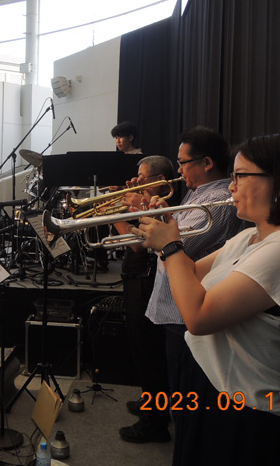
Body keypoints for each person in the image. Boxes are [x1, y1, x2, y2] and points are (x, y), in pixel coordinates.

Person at [137, 134, 280, 465]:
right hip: (211, 384)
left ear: (279, 182)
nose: (231, 187)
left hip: (246, 405)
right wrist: (167, 230)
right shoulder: (250, 236)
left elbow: (198, 318)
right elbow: (190, 275)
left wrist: (170, 246)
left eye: (240, 176)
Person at [125, 126, 244, 443]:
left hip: (185, 312)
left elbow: (175, 248)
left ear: (206, 163)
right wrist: (151, 212)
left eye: (183, 163)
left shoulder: (217, 200)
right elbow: (170, 237)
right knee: (171, 381)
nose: (178, 171)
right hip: (172, 305)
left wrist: (148, 218)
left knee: (185, 400)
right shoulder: (198, 194)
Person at [111, 156, 177, 444]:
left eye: (142, 177)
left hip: (146, 280)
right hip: (137, 277)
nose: (136, 181)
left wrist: (116, 215)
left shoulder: (163, 206)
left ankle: (155, 422)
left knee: (150, 353)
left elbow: (138, 245)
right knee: (142, 350)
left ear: (159, 180)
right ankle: (150, 402)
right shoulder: (151, 203)